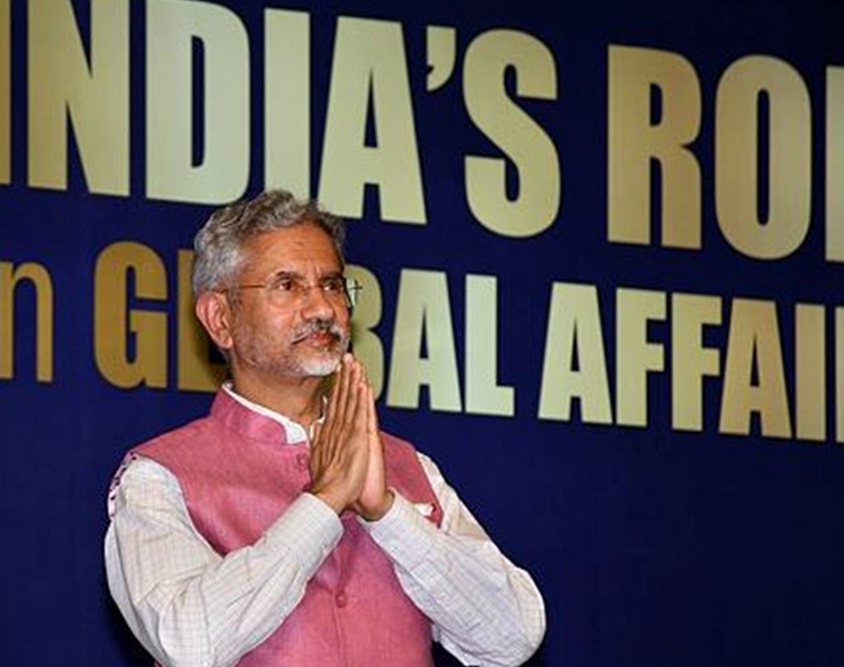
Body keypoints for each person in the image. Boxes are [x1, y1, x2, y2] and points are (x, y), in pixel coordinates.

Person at [104, 189, 546, 667]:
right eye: (288, 285)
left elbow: (514, 637)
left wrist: (387, 513)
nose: (322, 309)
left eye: (333, 285)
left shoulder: (404, 466)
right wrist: (324, 504)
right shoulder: (158, 477)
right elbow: (187, 644)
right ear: (220, 318)